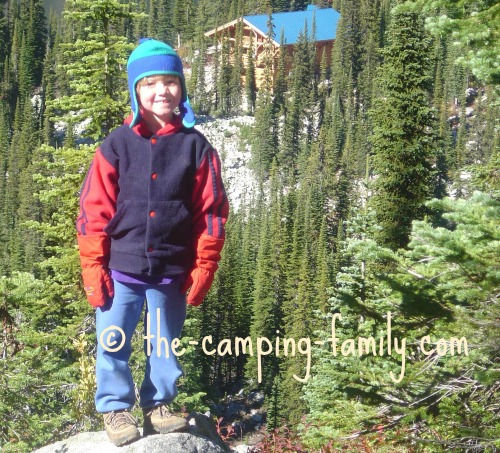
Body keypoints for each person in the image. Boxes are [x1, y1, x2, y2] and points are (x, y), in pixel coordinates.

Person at [76, 38, 229, 447]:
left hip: (171, 270)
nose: (162, 91)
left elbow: (211, 214)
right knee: (113, 341)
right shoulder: (116, 145)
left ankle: (159, 404)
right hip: (120, 268)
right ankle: (115, 407)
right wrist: (93, 266)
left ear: (182, 88)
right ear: (135, 91)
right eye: (150, 83)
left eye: (170, 81)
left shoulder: (197, 148)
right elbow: (93, 211)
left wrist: (204, 266)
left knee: (164, 344)